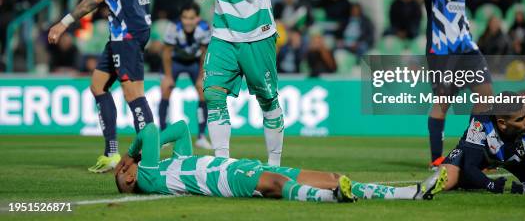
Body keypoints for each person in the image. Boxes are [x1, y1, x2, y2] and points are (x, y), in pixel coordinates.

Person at [48, 0, 154, 173]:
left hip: (127, 29)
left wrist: (64, 23)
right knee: (98, 85)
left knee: (134, 95)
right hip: (129, 26)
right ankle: (111, 154)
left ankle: (151, 158)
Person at [114, 120, 448, 202]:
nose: (123, 168)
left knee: (332, 174)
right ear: (130, 180)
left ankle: (410, 193)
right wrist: (130, 154)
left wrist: (135, 154)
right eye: (122, 173)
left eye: (124, 166)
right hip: (225, 180)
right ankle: (330, 198)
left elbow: (182, 129)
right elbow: (152, 130)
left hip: (234, 167)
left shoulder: (170, 168)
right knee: (277, 184)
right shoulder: (148, 177)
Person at [193, 0, 284, 165]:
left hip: (258, 32)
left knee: (267, 99)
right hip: (224, 33)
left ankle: (275, 164)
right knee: (212, 93)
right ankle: (221, 163)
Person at [417, 0, 493, 170]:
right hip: (442, 48)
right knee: (443, 102)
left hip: (466, 45)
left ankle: (473, 152)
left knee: (486, 96)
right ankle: (436, 159)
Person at [159, 2, 212, 149]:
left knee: (202, 91)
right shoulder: (173, 27)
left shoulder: (204, 28)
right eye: (185, 18)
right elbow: (166, 53)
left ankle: (201, 136)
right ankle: (163, 136)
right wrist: (168, 76)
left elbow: (204, 54)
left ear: (197, 18)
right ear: (180, 18)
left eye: (191, 18)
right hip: (176, 61)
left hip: (194, 62)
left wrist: (201, 77)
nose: (188, 21)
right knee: (165, 88)